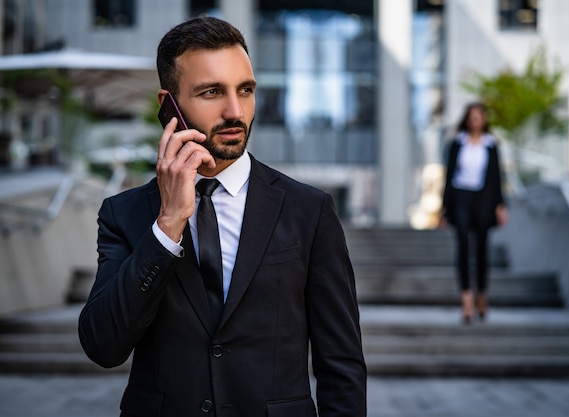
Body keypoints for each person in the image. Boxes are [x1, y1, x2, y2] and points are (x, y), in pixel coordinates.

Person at [78, 16, 367, 417]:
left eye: (245, 90)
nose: (236, 111)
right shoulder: (124, 214)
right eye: (212, 92)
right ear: (169, 106)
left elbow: (342, 364)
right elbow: (103, 346)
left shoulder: (308, 210)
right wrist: (168, 224)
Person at [440, 102, 508, 324]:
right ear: (467, 120)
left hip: (484, 200)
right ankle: (466, 300)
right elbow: (448, 175)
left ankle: (482, 295)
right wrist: (444, 207)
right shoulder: (457, 143)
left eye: (478, 117)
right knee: (463, 247)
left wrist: (500, 205)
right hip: (460, 197)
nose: (474, 121)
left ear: (484, 120)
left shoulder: (491, 145)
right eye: (471, 117)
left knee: (481, 250)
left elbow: (498, 176)